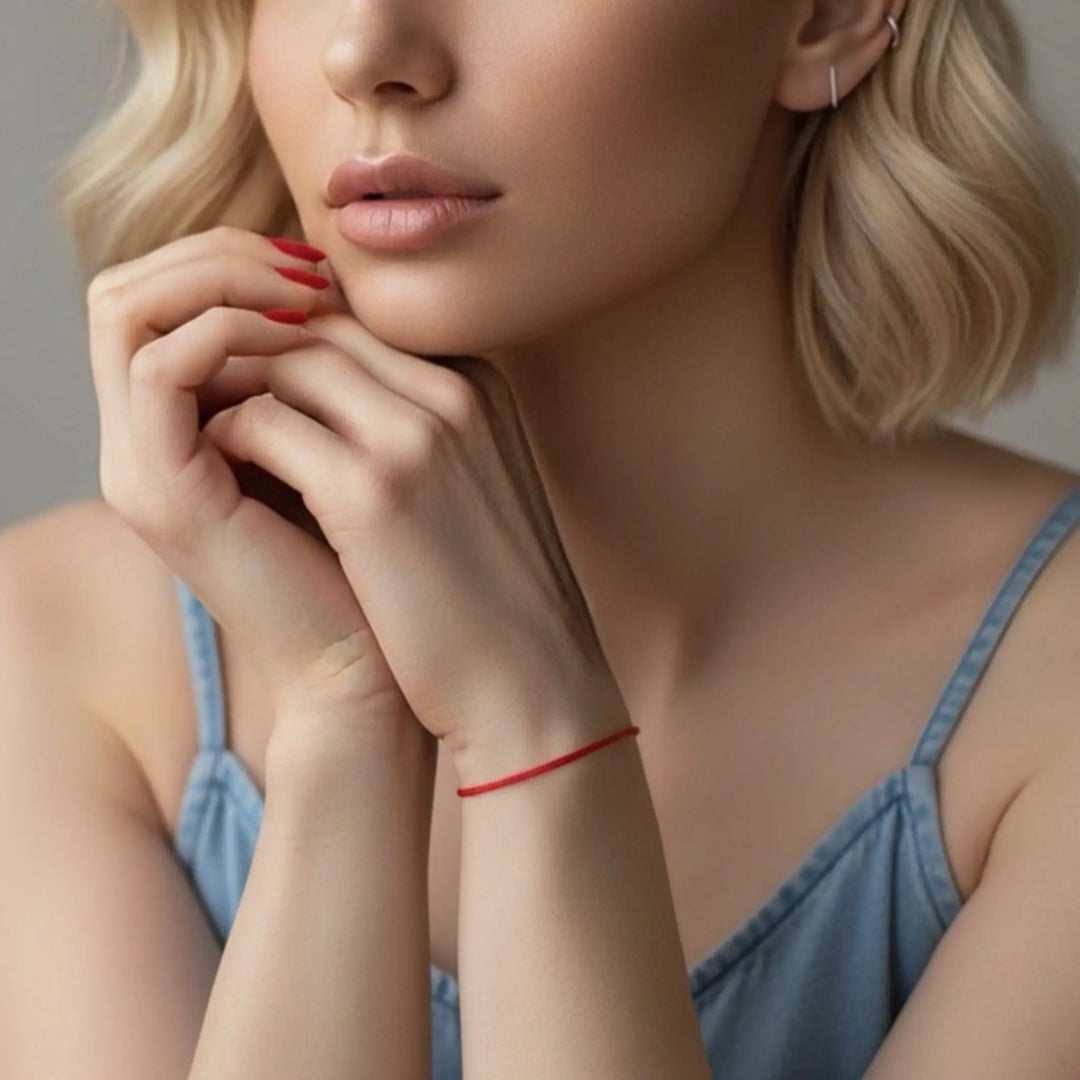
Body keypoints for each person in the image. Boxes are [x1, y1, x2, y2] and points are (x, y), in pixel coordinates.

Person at [3, 0, 1080, 1077]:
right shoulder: (59, 642)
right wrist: (345, 716)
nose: (363, 52)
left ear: (827, 17)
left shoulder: (1051, 699)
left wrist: (537, 724)